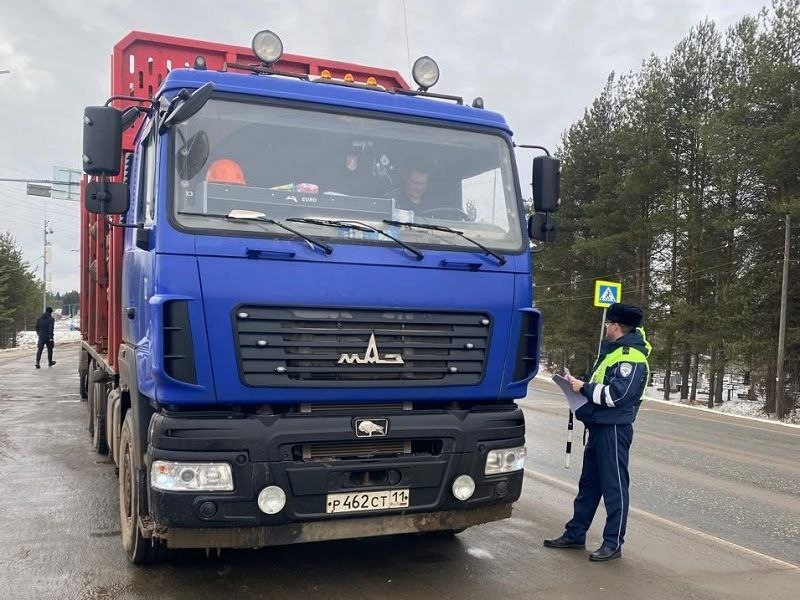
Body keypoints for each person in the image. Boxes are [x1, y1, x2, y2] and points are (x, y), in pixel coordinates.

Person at [544, 302, 651, 562]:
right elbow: (602, 383)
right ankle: (575, 534)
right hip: (599, 426)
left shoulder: (631, 356)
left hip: (614, 429)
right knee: (589, 484)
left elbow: (618, 394)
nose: (605, 327)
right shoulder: (613, 352)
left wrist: (584, 388)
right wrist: (578, 385)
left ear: (616, 326)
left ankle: (613, 543)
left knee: (615, 487)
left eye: (607, 324)